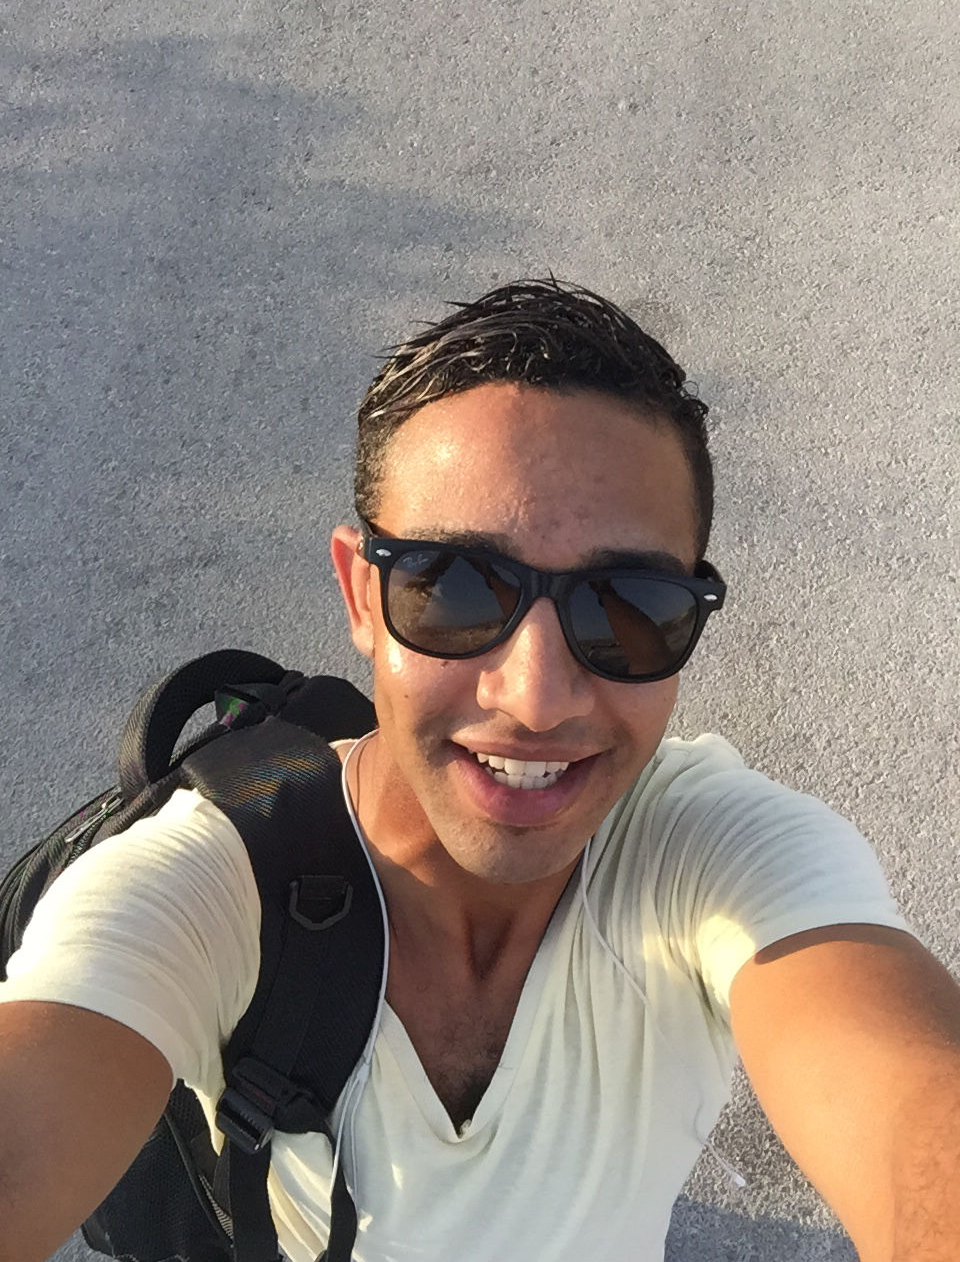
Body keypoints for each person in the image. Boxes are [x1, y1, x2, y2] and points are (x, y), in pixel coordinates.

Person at [1, 278, 958, 1262]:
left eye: (631, 606)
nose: (537, 697)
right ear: (361, 595)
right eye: (453, 587)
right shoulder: (200, 889)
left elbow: (911, 1108)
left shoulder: (716, 858)